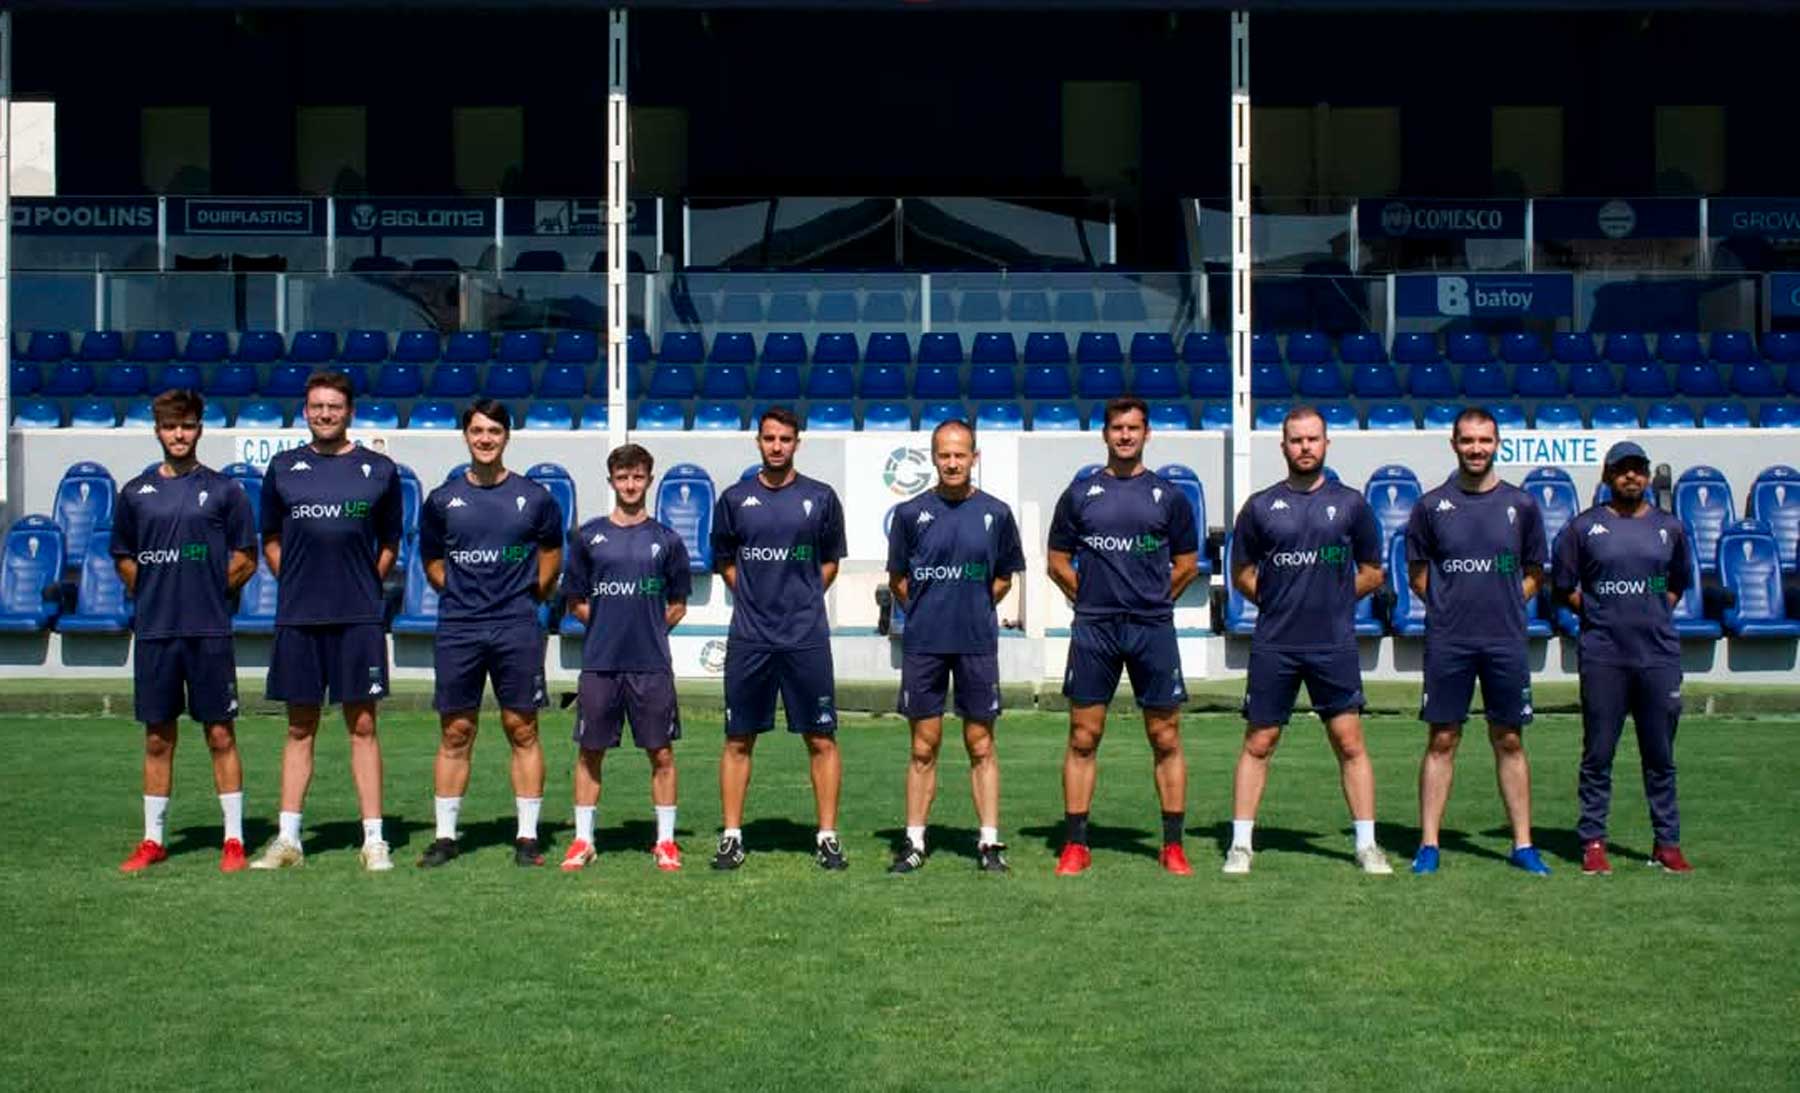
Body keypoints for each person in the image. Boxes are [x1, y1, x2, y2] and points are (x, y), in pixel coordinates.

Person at [1226, 405, 1392, 875]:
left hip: (1332, 643)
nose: (1305, 447)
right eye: (1296, 440)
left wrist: (1333, 601)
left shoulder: (1352, 505)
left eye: (1312, 439)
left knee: (1349, 741)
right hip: (1275, 643)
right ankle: (1240, 845)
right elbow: (1242, 573)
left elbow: (1372, 572)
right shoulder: (1260, 507)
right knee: (1259, 740)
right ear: (1283, 446)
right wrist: (1279, 601)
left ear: (1325, 444)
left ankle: (1367, 845)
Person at [250, 372, 404, 871]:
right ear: (305, 411)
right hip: (300, 616)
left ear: (349, 412)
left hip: (358, 617)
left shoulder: (379, 470)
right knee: (300, 725)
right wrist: (296, 580)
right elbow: (270, 538)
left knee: (363, 724)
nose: (325, 414)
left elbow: (390, 542)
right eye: (317, 406)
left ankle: (374, 840)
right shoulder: (283, 468)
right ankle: (289, 839)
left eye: (334, 406)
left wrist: (363, 583)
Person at [1045, 396, 1201, 876]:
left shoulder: (1169, 497)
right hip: (1096, 629)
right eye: (1118, 428)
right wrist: (1091, 598)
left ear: (1147, 433)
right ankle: (1076, 844)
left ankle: (1172, 845)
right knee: (1083, 735)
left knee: (1165, 735)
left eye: (1134, 428)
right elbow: (1056, 561)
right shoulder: (1080, 495)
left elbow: (1186, 564)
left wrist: (1152, 601)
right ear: (1105, 434)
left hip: (1151, 628)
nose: (1126, 435)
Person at [111, 389, 259, 872]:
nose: (179, 434)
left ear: (199, 429)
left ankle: (234, 839)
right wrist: (155, 591)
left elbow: (246, 557)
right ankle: (153, 840)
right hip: (156, 633)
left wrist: (210, 592)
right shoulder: (134, 493)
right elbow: (123, 557)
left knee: (220, 733)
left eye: (188, 425)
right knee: (158, 737)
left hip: (208, 632)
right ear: (157, 430)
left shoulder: (224, 490)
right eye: (171, 426)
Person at [414, 400, 564, 868]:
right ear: (466, 436)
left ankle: (527, 836)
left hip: (516, 625)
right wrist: (457, 592)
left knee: (522, 727)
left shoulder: (534, 497)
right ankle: (445, 836)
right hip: (460, 627)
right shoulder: (442, 500)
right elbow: (432, 558)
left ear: (506, 437)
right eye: (477, 431)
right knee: (456, 730)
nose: (485, 439)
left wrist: (531, 595)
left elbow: (552, 552)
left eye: (494, 431)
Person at [1404, 408, 1551, 876]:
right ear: (1454, 444)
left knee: (1509, 738)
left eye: (1484, 440)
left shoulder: (1521, 505)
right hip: (1449, 640)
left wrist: (1504, 603)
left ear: (1497, 443)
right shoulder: (1430, 506)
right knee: (1442, 738)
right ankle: (1429, 844)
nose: (1476, 448)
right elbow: (1418, 574)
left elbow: (1535, 572)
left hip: (1504, 640)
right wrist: (1449, 606)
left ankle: (1523, 844)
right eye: (1467, 440)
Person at [884, 419, 1026, 874]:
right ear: (933, 458)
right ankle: (914, 842)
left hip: (976, 644)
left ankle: (988, 842)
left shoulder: (996, 513)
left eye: (959, 454)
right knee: (923, 747)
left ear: (973, 458)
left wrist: (973, 606)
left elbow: (1003, 578)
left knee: (981, 744)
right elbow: (899, 580)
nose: (951, 463)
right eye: (944, 455)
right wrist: (930, 611)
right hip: (924, 644)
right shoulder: (910, 514)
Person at [709, 407, 849, 871]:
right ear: (758, 441)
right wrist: (755, 597)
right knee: (738, 738)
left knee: (821, 737)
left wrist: (801, 598)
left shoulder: (821, 498)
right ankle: (732, 836)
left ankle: (826, 836)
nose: (776, 446)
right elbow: (725, 562)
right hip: (750, 637)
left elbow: (830, 562)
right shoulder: (734, 499)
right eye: (769, 438)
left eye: (785, 439)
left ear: (797, 443)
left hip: (806, 636)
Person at [1552, 440, 1694, 875]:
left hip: (1658, 655)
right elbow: (1564, 587)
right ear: (1608, 475)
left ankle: (1667, 844)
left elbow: (1676, 584)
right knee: (1598, 754)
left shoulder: (1670, 528)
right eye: (1622, 469)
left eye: (1638, 469)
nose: (1630, 476)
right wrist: (1601, 613)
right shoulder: (1583, 528)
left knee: (1660, 757)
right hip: (1604, 656)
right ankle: (1593, 842)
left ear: (1647, 476)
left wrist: (1649, 614)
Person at [560, 444, 692, 872]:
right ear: (611, 481)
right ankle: (583, 840)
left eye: (637, 477)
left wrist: (646, 628)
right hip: (600, 663)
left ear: (649, 480)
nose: (630, 485)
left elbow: (678, 604)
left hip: (651, 664)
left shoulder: (668, 541)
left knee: (661, 753)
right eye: (622, 477)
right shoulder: (588, 537)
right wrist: (607, 625)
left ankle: (666, 842)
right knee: (590, 751)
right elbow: (575, 601)